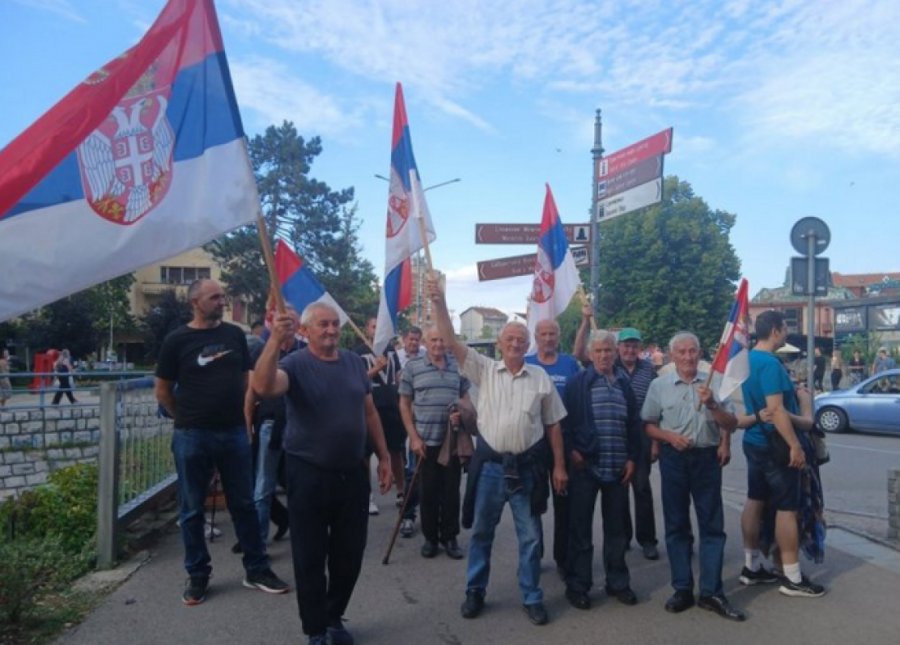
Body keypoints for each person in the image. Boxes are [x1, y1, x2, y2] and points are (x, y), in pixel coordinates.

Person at [428, 277, 567, 626]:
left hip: (528, 469)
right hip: (490, 469)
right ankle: (475, 591)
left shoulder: (540, 377)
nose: (516, 344)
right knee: (481, 533)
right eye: (510, 339)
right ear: (500, 344)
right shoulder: (484, 370)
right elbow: (450, 340)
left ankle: (531, 596)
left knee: (530, 536)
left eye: (521, 340)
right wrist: (439, 304)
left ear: (528, 344)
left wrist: (559, 466)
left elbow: (553, 425)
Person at [252, 302, 392, 645]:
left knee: (350, 554)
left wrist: (384, 455)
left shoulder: (354, 363)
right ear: (305, 330)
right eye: (323, 324)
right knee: (310, 556)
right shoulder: (294, 364)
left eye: (334, 324)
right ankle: (316, 629)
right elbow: (264, 387)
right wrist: (274, 341)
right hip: (308, 473)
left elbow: (369, 411)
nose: (331, 330)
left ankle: (333, 616)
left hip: (353, 473)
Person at [155, 279, 289, 606]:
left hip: (233, 432)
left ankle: (256, 568)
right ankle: (198, 575)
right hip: (192, 435)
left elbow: (245, 381)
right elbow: (163, 390)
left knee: (244, 504)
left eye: (223, 296)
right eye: (215, 297)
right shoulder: (176, 340)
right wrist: (185, 419)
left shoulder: (233, 335)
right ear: (195, 302)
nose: (222, 301)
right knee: (191, 509)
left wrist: (243, 419)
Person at [642, 332, 745, 621]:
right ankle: (682, 588)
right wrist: (668, 437)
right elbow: (648, 425)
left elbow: (731, 424)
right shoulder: (659, 385)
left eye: (692, 351)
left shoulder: (715, 383)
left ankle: (711, 591)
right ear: (672, 356)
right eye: (682, 352)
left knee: (712, 526)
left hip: (706, 459)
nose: (688, 357)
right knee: (676, 525)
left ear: (700, 354)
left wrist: (712, 405)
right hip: (674, 460)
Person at [738, 309, 825, 598]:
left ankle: (751, 566)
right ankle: (792, 576)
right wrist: (795, 445)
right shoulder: (771, 364)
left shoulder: (747, 360)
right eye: (785, 328)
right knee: (787, 508)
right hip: (776, 445)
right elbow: (776, 410)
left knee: (755, 500)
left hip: (754, 440)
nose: (786, 333)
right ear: (775, 331)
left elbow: (757, 407)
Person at [561, 330, 641, 611]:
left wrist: (632, 459)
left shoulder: (624, 384)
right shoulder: (577, 383)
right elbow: (564, 423)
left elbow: (634, 425)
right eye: (598, 351)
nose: (604, 355)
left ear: (615, 353)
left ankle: (617, 583)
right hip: (585, 467)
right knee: (580, 531)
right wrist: (573, 453)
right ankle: (578, 586)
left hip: (618, 469)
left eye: (608, 350)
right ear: (590, 354)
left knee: (616, 531)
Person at [399, 326, 471, 559]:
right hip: (424, 441)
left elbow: (466, 399)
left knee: (451, 491)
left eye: (442, 340)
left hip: (451, 440)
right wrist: (413, 437)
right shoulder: (413, 367)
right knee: (427, 491)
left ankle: (450, 537)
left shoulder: (458, 366)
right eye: (434, 340)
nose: (439, 344)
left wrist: (462, 412)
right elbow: (404, 404)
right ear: (425, 343)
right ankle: (430, 538)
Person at [525, 318, 580, 577]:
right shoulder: (526, 363)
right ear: (536, 337)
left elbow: (579, 405)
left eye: (553, 334)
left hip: (564, 444)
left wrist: (577, 446)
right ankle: (534, 555)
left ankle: (564, 558)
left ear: (558, 336)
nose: (548, 338)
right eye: (544, 334)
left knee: (564, 505)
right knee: (533, 504)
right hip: (534, 446)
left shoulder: (569, 364)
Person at [241, 310, 301, 549]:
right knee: (263, 485)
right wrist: (247, 424)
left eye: (291, 321)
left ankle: (306, 532)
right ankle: (258, 542)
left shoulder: (305, 351)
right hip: (270, 424)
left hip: (300, 425)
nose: (287, 325)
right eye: (282, 321)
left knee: (301, 483)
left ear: (298, 326)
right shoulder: (264, 352)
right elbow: (252, 391)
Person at [613, 327, 659, 560]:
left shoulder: (649, 370)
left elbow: (658, 406)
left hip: (642, 434)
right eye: (626, 345)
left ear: (639, 348)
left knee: (641, 488)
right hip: (616, 435)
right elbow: (581, 354)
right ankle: (623, 537)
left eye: (634, 346)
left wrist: (655, 442)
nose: (630, 350)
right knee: (619, 489)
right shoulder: (610, 367)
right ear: (618, 347)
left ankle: (647, 539)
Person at [355, 317, 407, 512]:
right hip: (369, 409)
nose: (377, 331)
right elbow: (356, 379)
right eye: (373, 327)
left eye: (380, 327)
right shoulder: (358, 352)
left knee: (396, 451)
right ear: (367, 329)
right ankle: (368, 495)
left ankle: (401, 492)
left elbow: (398, 377)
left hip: (391, 408)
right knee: (366, 454)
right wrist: (376, 368)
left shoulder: (391, 350)